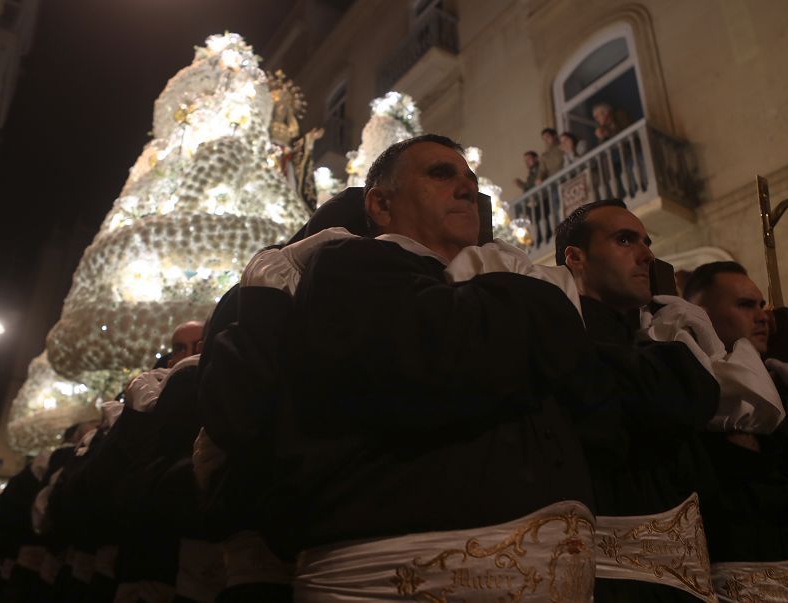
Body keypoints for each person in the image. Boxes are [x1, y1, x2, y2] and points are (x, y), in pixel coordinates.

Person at [204, 134, 621, 601]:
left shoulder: (490, 281)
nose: (467, 189)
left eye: (471, 179)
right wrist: (528, 294)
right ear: (381, 205)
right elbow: (454, 354)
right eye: (441, 174)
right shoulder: (351, 265)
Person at [556, 200, 721, 602]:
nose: (646, 253)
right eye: (624, 239)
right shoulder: (568, 336)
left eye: (646, 241)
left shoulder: (641, 338)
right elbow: (674, 409)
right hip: (617, 580)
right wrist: (672, 352)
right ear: (576, 258)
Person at [683, 261, 788, 600]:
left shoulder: (778, 380)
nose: (763, 317)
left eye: (761, 305)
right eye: (745, 305)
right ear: (701, 314)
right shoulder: (694, 391)